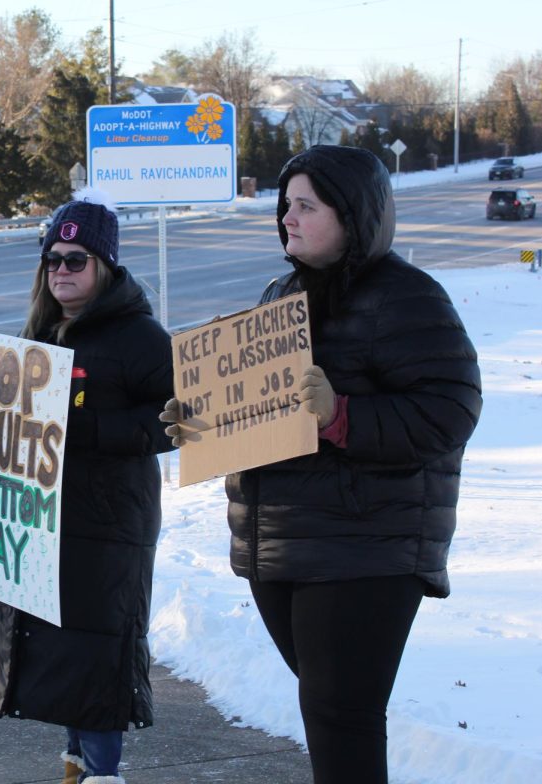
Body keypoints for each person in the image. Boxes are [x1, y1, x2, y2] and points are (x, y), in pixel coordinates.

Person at [161, 144, 482, 784]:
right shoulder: (282, 293)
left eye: (306, 205)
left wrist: (341, 415)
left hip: (368, 547)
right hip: (283, 545)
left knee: (343, 718)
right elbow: (262, 407)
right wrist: (202, 418)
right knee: (326, 712)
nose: (288, 217)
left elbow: (450, 409)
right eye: (285, 205)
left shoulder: (408, 299)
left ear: (353, 214)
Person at [0, 188, 175, 784]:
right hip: (44, 520)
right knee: (62, 656)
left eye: (76, 261)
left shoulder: (139, 337)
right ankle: (76, 769)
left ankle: (102, 774)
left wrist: (94, 429)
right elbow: (22, 422)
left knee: (98, 659)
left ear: (105, 266)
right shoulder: (41, 336)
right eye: (53, 260)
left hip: (109, 526)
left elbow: (179, 419)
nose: (62, 271)